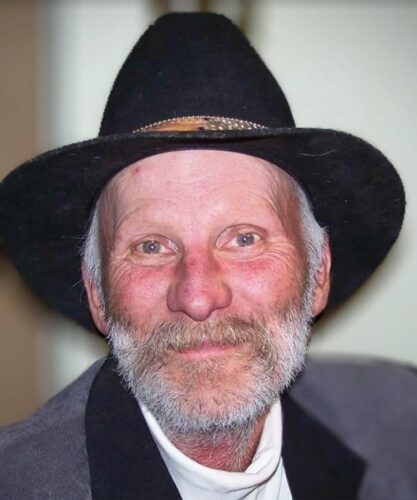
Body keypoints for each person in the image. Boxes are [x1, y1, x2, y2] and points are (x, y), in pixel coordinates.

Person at [0, 12, 415, 500]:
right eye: (151, 246)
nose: (198, 298)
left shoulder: (402, 422)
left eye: (244, 239)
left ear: (318, 272)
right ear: (97, 294)